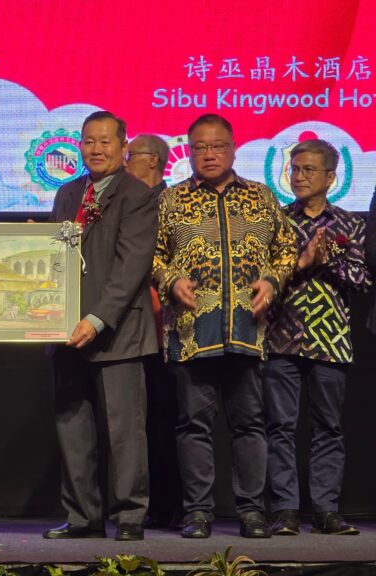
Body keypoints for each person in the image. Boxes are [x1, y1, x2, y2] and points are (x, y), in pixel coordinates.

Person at [153, 113, 296, 539]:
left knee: (249, 424)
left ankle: (252, 512)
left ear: (233, 149)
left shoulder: (260, 196)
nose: (209, 154)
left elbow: (287, 248)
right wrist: (170, 280)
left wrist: (272, 280)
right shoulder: (171, 200)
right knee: (193, 425)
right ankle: (197, 513)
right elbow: (152, 255)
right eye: (200, 147)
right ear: (190, 152)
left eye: (217, 146)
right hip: (192, 332)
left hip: (247, 331)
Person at [42, 111, 158, 542]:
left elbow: (131, 268)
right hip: (65, 330)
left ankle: (129, 517)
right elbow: (54, 255)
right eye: (89, 141)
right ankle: (82, 517)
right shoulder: (68, 192)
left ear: (124, 147)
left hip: (117, 332)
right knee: (72, 428)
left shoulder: (137, 195)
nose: (96, 149)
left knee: (124, 431)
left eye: (105, 141)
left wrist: (96, 319)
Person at [265, 139, 370, 536]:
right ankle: (285, 510)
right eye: (294, 169)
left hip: (331, 340)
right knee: (280, 426)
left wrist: (331, 261)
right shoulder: (276, 220)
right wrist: (301, 261)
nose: (299, 176)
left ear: (330, 177)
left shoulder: (350, 224)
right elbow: (260, 277)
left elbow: (362, 280)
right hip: (281, 337)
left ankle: (326, 510)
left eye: (308, 170)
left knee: (328, 427)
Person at [125, 134, 182, 530]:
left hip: (165, 322)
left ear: (153, 161)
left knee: (166, 416)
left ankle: (171, 504)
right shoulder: (127, 200)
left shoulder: (171, 202)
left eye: (130, 155)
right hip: (130, 324)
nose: (124, 161)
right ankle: (145, 503)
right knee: (138, 420)